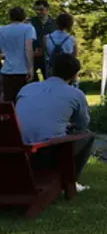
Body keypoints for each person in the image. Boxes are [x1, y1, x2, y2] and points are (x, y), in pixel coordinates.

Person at [16, 53, 93, 191]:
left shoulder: (26, 89)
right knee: (87, 136)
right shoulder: (75, 94)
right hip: (45, 152)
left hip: (17, 150)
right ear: (74, 75)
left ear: (50, 69)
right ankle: (70, 181)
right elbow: (83, 124)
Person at [0, 7, 36, 102]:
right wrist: (31, 68)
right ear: (23, 16)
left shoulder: (2, 29)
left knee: (8, 101)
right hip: (22, 71)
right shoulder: (28, 28)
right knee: (23, 100)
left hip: (6, 71)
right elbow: (28, 48)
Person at [29, 0, 56, 82]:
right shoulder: (30, 22)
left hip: (49, 57)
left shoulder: (55, 23)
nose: (38, 12)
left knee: (50, 80)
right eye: (36, 10)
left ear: (47, 9)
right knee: (33, 81)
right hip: (34, 56)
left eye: (41, 9)